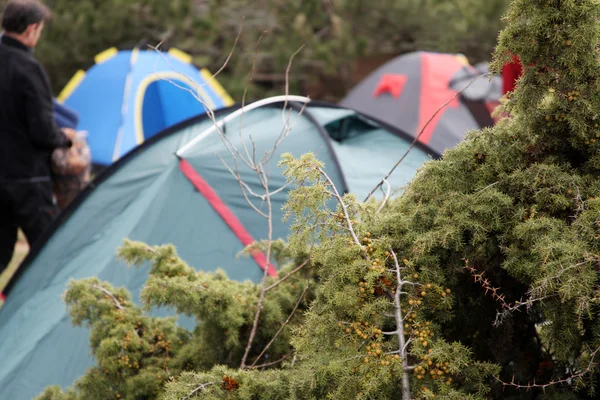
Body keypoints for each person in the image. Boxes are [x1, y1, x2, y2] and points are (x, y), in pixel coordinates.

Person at [0, 0, 74, 274]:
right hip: (28, 181)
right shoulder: (28, 69)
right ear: (32, 29)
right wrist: (65, 138)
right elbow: (43, 131)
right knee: (50, 254)